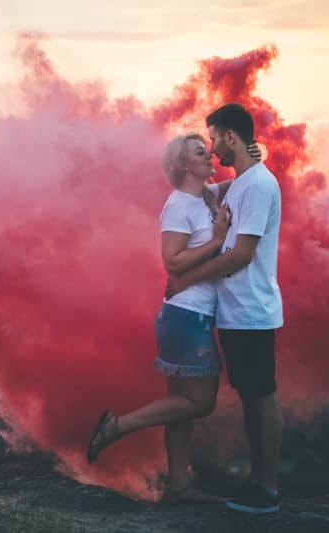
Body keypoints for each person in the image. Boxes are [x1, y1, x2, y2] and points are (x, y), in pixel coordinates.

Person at [86, 133, 260, 504]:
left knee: (180, 408)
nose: (209, 154)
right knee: (201, 403)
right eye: (201, 152)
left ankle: (179, 486)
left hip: (185, 316)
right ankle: (117, 426)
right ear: (183, 166)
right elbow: (172, 261)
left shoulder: (206, 196)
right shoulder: (179, 206)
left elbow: (241, 180)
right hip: (187, 318)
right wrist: (216, 241)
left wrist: (250, 156)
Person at [166, 103, 284, 514]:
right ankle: (259, 484)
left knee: (260, 396)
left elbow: (241, 255)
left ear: (231, 137)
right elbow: (201, 191)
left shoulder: (256, 186)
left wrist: (187, 278)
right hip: (238, 312)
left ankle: (265, 490)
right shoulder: (242, 183)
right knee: (253, 396)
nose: (212, 149)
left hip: (250, 311)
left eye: (214, 138)